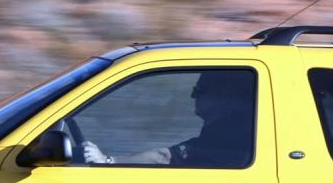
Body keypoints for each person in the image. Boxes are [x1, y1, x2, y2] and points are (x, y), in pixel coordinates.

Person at [80, 70, 254, 168]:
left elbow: (165, 157)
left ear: (225, 97)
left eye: (201, 90)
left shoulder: (226, 135)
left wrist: (108, 161)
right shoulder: (230, 129)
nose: (193, 95)